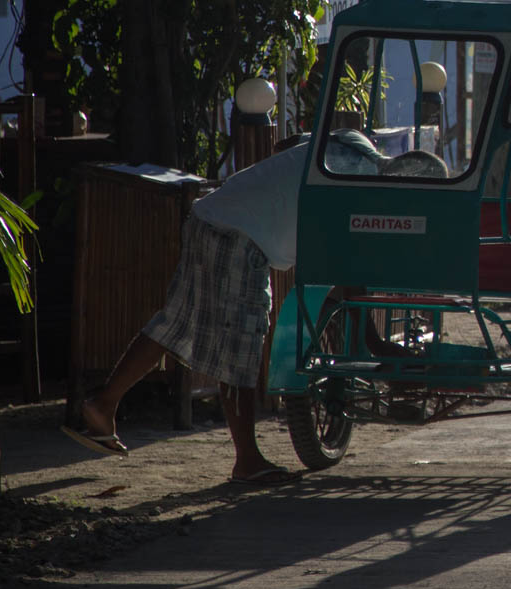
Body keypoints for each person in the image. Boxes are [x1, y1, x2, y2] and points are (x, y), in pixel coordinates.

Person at [66, 130, 389, 483]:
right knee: (241, 341)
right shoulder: (361, 177)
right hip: (242, 238)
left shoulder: (325, 148)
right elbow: (345, 265)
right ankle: (247, 460)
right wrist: (374, 343)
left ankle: (103, 404)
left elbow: (285, 143)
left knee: (174, 322)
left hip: (209, 218)